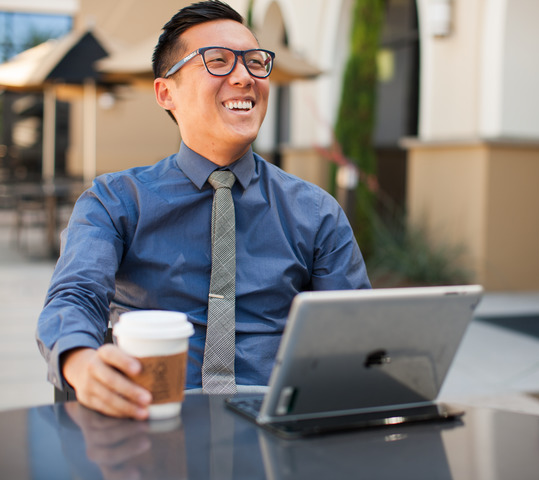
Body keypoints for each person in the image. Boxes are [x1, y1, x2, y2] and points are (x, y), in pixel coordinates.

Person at [36, 0, 370, 420]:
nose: (244, 76)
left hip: (278, 429)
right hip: (150, 422)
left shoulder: (316, 212)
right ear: (165, 92)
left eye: (254, 62)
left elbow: (357, 333)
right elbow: (75, 295)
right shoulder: (115, 201)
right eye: (217, 61)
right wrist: (80, 361)